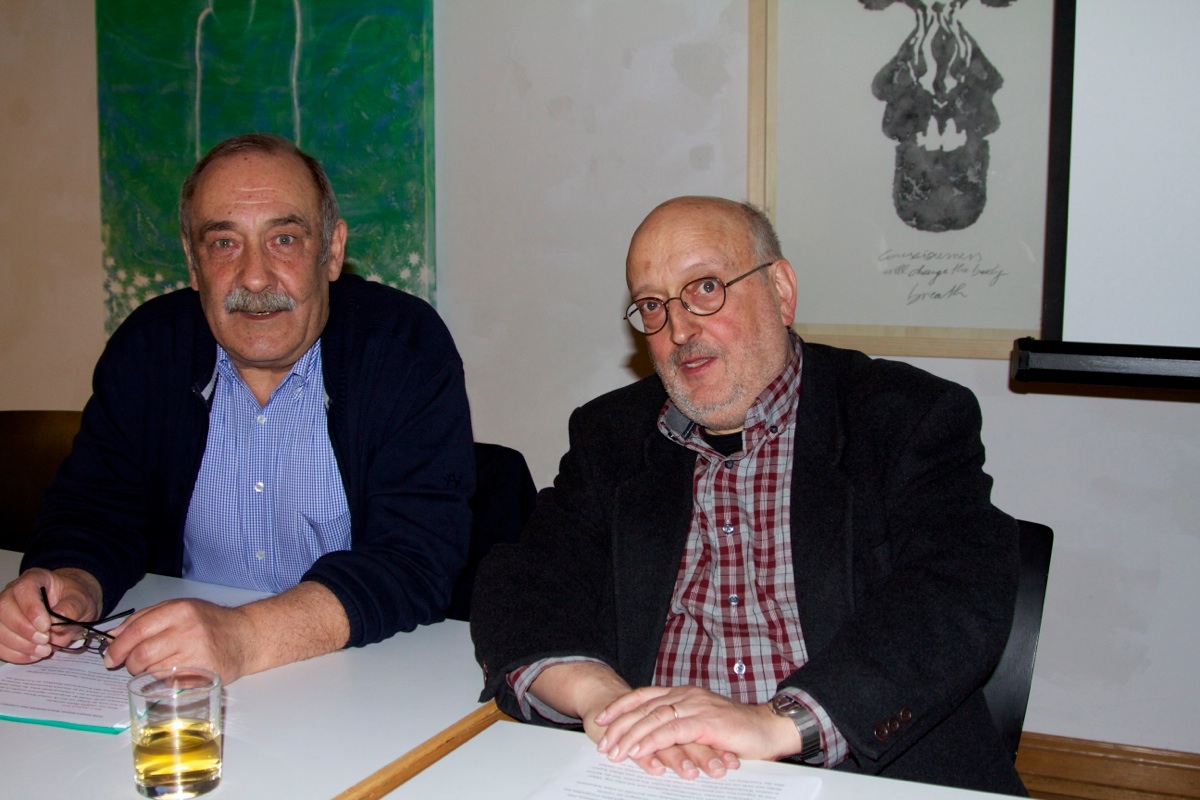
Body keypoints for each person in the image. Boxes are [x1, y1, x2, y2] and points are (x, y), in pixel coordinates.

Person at [470, 196, 1025, 795]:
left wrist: (777, 724)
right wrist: (600, 697)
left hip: (859, 773)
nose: (679, 330)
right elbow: (525, 581)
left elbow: (955, 592)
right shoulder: (611, 435)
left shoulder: (905, 416)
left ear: (781, 291)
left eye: (705, 288)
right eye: (653, 305)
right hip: (654, 770)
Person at [0, 133, 474, 684]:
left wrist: (243, 637)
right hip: (176, 668)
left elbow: (414, 557)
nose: (254, 276)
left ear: (332, 251)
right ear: (192, 261)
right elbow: (96, 510)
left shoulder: (404, 347)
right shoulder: (149, 349)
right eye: (224, 243)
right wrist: (71, 583)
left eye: (284, 239)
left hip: (358, 672)